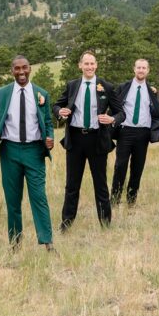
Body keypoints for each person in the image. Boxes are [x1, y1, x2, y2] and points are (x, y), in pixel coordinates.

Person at [0, 55, 55, 250]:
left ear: (30, 68)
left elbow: (48, 123)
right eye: (17, 68)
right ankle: (15, 243)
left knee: (39, 197)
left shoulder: (41, 94)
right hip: (9, 151)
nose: (21, 72)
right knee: (13, 199)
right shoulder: (3, 93)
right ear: (12, 71)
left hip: (34, 151)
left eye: (24, 68)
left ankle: (47, 241)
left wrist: (49, 139)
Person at [53, 51, 122, 231]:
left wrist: (112, 119)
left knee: (100, 184)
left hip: (97, 139)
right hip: (75, 139)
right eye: (86, 63)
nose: (89, 67)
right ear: (80, 65)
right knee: (72, 184)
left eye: (92, 63)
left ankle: (105, 224)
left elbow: (121, 112)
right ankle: (66, 224)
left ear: (96, 65)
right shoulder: (72, 85)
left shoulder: (106, 86)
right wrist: (59, 112)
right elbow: (56, 105)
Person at [110, 58, 159, 206]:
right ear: (134, 69)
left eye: (144, 68)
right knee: (120, 166)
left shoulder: (152, 91)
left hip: (143, 133)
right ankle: (115, 199)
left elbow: (157, 111)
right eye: (139, 67)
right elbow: (113, 104)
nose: (141, 70)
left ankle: (131, 200)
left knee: (137, 167)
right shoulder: (124, 87)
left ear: (148, 71)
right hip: (125, 131)